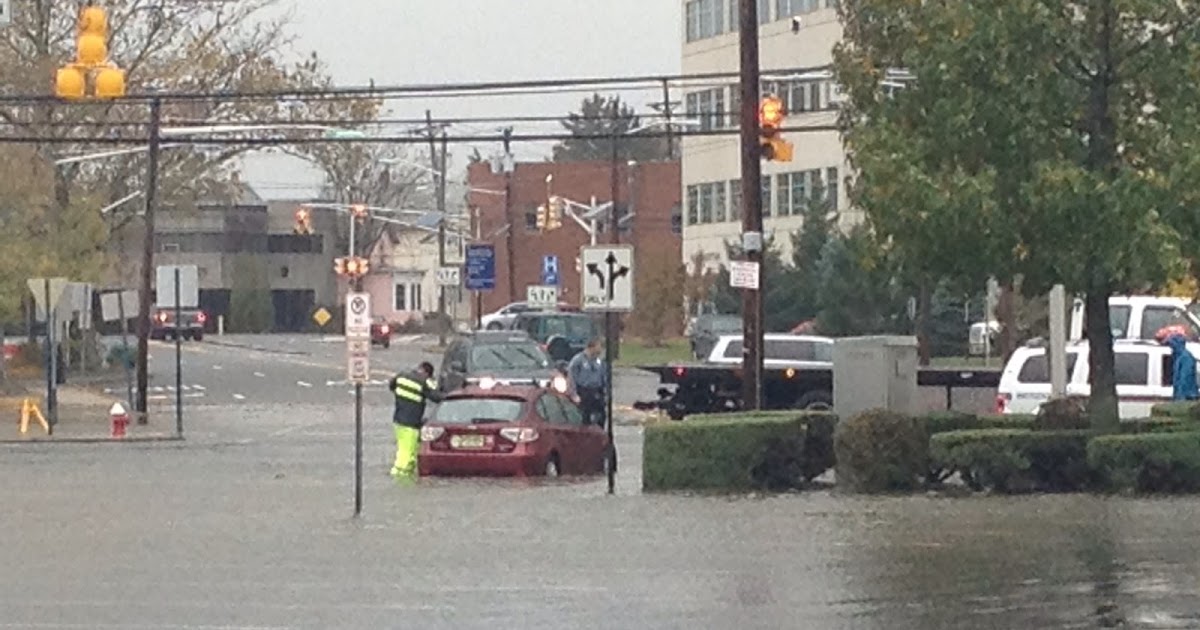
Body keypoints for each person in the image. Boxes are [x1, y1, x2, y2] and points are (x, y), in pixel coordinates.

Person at [388, 361, 444, 479]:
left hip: (398, 420)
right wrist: (451, 396)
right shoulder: (424, 382)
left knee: (408, 449)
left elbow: (391, 386)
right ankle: (400, 476)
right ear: (427, 373)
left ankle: (408, 475)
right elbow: (436, 397)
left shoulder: (402, 375)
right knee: (406, 452)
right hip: (410, 423)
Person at [567, 338, 607, 427]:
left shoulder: (599, 361)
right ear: (591, 347)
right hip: (584, 392)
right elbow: (571, 378)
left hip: (597, 391)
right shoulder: (578, 360)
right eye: (598, 347)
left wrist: (605, 392)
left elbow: (603, 375)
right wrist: (574, 395)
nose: (600, 351)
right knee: (585, 418)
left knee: (601, 416)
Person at [1164, 333, 1199, 401]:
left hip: (1188, 396)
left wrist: (1180, 397)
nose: (1171, 348)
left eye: (1172, 345)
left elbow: (1184, 378)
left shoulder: (1186, 358)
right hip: (1182, 395)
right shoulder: (1178, 357)